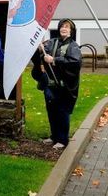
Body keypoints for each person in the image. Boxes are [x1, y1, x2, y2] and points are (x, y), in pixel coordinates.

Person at [31, 18, 82, 150]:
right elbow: (41, 53)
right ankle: (53, 136)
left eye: (67, 27)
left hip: (64, 87)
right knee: (51, 111)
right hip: (50, 84)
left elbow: (74, 62)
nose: (64, 29)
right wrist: (39, 50)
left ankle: (63, 140)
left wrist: (54, 60)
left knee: (62, 112)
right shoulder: (52, 42)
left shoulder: (73, 46)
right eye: (62, 26)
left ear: (71, 31)